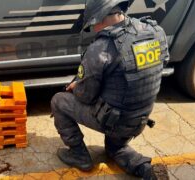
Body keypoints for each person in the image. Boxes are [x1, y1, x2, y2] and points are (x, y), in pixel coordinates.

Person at [50, 0, 170, 179]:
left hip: (115, 121)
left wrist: (77, 86)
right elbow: (161, 63)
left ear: (100, 18)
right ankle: (147, 171)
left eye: (93, 23)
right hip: (140, 119)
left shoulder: (101, 48)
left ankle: (79, 156)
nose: (94, 28)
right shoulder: (154, 31)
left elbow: (86, 96)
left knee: (58, 101)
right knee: (116, 149)